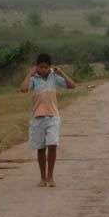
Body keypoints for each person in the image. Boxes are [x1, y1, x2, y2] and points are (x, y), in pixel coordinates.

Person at [19, 53, 76, 187]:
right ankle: (43, 177)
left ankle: (50, 176)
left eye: (45, 67)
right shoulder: (34, 79)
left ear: (49, 67)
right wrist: (29, 74)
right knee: (40, 148)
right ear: (36, 67)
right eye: (40, 67)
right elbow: (23, 89)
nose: (43, 70)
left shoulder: (54, 77)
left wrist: (62, 73)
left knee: (52, 145)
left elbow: (72, 85)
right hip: (37, 118)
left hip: (52, 117)